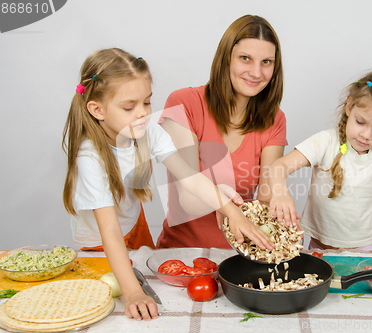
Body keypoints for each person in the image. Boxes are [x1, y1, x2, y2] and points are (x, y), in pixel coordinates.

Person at [62, 48, 273, 321]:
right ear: (97, 110)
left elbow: (191, 177)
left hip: (132, 227)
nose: (142, 114)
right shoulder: (89, 157)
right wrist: (134, 293)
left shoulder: (146, 130)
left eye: (147, 103)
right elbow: (110, 232)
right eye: (129, 107)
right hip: (98, 243)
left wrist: (233, 212)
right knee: (107, 303)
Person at [156, 14, 288, 249]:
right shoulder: (183, 104)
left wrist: (280, 202)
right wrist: (224, 201)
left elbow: (265, 199)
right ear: (225, 58)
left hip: (240, 256)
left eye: (266, 62)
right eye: (245, 58)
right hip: (183, 257)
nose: (257, 73)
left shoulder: (274, 119)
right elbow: (189, 199)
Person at [268, 70, 372, 259]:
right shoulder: (326, 142)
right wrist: (280, 193)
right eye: (360, 122)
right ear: (349, 107)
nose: (366, 135)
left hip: (364, 249)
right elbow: (278, 167)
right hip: (318, 247)